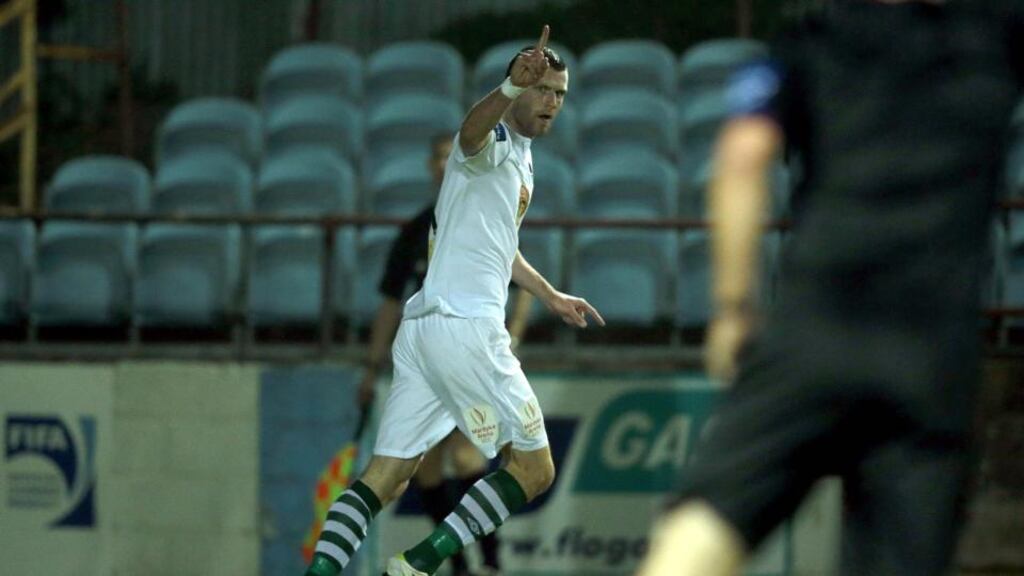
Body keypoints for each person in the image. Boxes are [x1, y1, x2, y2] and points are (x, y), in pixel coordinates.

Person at [637, 2, 1024, 576]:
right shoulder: (995, 37)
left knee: (706, 525)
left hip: (815, 331)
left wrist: (733, 309)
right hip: (931, 359)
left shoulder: (812, 39)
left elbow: (743, 155)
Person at [306, 25, 604, 576]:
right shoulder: (487, 146)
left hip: (424, 333)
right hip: (467, 328)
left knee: (387, 476)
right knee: (535, 470)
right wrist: (509, 90)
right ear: (518, 87)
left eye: (559, 94)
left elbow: (501, 247)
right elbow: (468, 133)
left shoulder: (524, 156)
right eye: (542, 90)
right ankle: (421, 563)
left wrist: (549, 293)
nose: (551, 102)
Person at [358, 131, 534, 576]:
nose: (442, 165)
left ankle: (490, 561)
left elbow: (522, 281)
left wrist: (510, 336)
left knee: (469, 455)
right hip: (426, 355)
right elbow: (390, 301)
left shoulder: (482, 216)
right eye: (435, 158)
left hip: (468, 350)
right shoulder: (417, 229)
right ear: (429, 167)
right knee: (427, 466)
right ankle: (456, 562)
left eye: (446, 156)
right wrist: (371, 366)